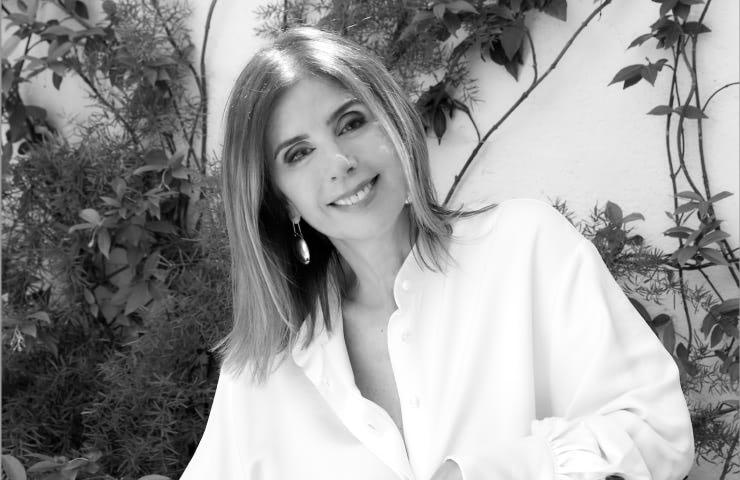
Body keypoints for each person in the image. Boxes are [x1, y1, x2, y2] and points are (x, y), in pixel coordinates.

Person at [181, 26, 694, 480]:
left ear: (395, 124)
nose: (338, 162)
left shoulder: (526, 248)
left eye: (352, 122)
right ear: (278, 198)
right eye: (298, 153)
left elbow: (656, 434)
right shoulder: (265, 365)